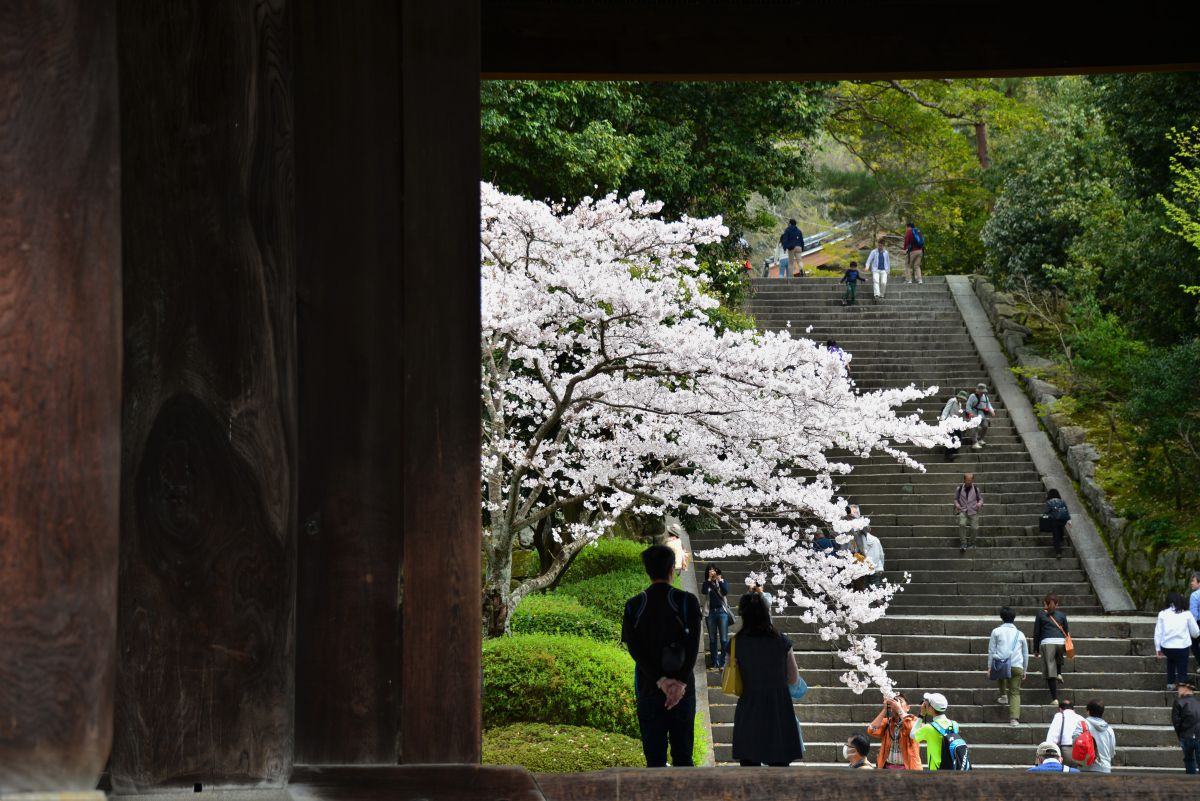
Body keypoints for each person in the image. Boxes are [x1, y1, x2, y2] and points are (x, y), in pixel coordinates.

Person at [620, 544, 703, 767]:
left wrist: (660, 680)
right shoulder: (687, 601)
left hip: (648, 687)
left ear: (647, 571)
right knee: (684, 757)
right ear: (671, 570)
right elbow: (694, 645)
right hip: (683, 690)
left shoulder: (634, 605)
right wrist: (680, 683)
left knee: (654, 759)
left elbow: (635, 650)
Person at [729, 591, 804, 766]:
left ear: (743, 614)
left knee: (749, 768)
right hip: (778, 708)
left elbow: (729, 675)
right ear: (766, 611)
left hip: (749, 706)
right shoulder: (781, 640)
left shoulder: (736, 642)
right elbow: (793, 678)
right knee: (779, 768)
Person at [989, 606, 1029, 725]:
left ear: (1001, 617)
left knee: (1000, 670)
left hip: (1001, 663)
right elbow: (1025, 653)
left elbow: (991, 650)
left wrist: (989, 666)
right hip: (1017, 665)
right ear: (1014, 618)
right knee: (1015, 692)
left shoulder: (996, 631)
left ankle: (1003, 695)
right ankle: (1014, 719)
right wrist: (1025, 669)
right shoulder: (1020, 634)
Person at [1156, 591, 1199, 689]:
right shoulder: (1187, 614)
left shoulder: (1162, 614)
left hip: (1166, 647)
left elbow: (1158, 632)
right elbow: (1195, 632)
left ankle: (1170, 683)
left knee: (1171, 660)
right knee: (1182, 665)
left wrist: (1158, 648)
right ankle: (1182, 683)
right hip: (1182, 647)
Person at [866, 693, 922, 769]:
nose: (896, 703)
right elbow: (871, 730)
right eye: (894, 701)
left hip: (909, 768)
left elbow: (910, 729)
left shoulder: (915, 721)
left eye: (900, 701)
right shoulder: (887, 722)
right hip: (887, 767)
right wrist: (885, 709)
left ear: (908, 708)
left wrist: (899, 709)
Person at [1034, 593, 1070, 703]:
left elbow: (1037, 633)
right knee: (1057, 658)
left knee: (1051, 673)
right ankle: (1059, 673)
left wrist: (1036, 649)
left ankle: (1054, 699)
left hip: (1047, 643)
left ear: (1045, 603)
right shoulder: (1062, 615)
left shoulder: (1040, 615)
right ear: (1057, 604)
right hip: (1060, 642)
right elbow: (1067, 632)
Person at [912, 692, 958, 770]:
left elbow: (912, 735)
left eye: (927, 703)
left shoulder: (929, 728)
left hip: (935, 769)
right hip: (952, 766)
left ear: (931, 708)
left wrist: (921, 715)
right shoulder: (954, 724)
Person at [701, 565, 733, 670]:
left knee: (724, 639)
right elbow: (704, 591)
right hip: (710, 613)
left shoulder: (722, 582)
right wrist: (709, 579)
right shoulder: (706, 583)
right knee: (712, 639)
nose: (712, 571)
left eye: (714, 570)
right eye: (710, 570)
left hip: (722, 612)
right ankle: (715, 663)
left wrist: (719, 580)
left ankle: (723, 663)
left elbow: (725, 592)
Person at [1072, 699, 1115, 774]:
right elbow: (1111, 752)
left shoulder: (1082, 724)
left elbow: (1075, 743)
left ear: (1088, 711)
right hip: (1105, 768)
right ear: (1102, 712)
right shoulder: (1109, 729)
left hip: (1085, 767)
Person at [1046, 699, 1085, 766]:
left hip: (1066, 752)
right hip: (1081, 753)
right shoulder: (1081, 718)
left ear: (1060, 709)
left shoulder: (1059, 716)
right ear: (1073, 709)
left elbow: (1052, 737)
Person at [1173, 681, 1200, 773]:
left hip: (1186, 736)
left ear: (1186, 689)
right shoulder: (1198, 702)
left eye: (1179, 688)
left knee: (1189, 759)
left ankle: (1191, 781)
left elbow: (1176, 721)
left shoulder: (1178, 702)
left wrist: (1179, 735)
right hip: (1199, 735)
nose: (1178, 691)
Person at [953, 473, 982, 552]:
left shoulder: (976, 489)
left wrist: (979, 504)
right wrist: (957, 504)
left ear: (972, 480)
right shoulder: (959, 488)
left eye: (970, 480)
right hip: (963, 510)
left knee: (975, 528)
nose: (969, 482)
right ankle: (963, 543)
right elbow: (955, 499)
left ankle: (972, 543)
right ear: (964, 480)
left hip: (973, 510)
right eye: (967, 480)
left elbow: (980, 499)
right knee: (962, 524)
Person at [939, 390, 968, 462]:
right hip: (948, 421)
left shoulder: (960, 404)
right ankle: (948, 454)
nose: (962, 400)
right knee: (952, 437)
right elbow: (946, 410)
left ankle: (954, 452)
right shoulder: (952, 400)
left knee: (959, 437)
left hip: (955, 422)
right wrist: (942, 419)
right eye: (962, 399)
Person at [965, 383, 995, 449]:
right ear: (977, 390)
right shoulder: (972, 396)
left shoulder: (986, 397)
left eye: (983, 392)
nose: (982, 393)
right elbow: (968, 405)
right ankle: (975, 442)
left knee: (985, 426)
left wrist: (992, 411)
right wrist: (969, 413)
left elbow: (988, 405)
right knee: (975, 427)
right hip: (974, 413)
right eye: (981, 391)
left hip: (982, 414)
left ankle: (981, 439)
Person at [1044, 489, 1072, 559]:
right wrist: (1068, 520)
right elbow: (1066, 510)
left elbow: (1047, 512)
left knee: (1055, 536)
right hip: (1062, 520)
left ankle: (1058, 552)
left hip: (1054, 521)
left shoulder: (1049, 502)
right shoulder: (1062, 501)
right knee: (1060, 530)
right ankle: (1061, 540)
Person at [1189, 573, 1200, 672]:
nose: (1191, 583)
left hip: (1198, 623)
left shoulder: (1195, 595)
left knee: (1194, 644)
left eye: (1193, 581)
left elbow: (1194, 614)